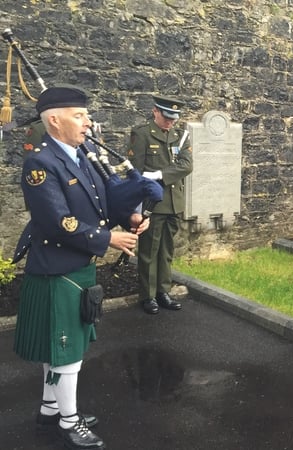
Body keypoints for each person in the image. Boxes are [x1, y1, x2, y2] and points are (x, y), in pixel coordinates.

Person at [12, 85, 144, 450]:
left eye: (86, 115)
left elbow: (102, 203)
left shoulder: (80, 155)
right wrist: (108, 241)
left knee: (63, 347)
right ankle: (68, 422)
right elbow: (58, 221)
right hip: (57, 268)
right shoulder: (41, 163)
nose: (88, 122)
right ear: (54, 120)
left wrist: (130, 216)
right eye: (79, 115)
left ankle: (50, 411)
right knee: (66, 351)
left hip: (77, 266)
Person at [128, 95, 193, 315]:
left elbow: (186, 166)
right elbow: (135, 173)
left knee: (166, 250)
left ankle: (163, 291)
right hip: (152, 204)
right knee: (148, 251)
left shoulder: (181, 136)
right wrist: (136, 207)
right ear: (155, 111)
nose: (170, 122)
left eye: (174, 118)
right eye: (166, 117)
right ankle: (148, 295)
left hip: (174, 203)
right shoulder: (142, 134)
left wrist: (160, 174)